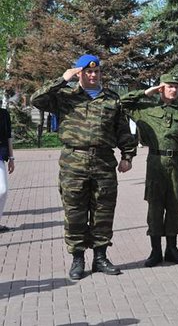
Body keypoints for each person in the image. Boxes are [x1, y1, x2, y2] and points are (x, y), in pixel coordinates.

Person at [31, 54, 136, 280]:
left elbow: (122, 130)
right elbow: (36, 99)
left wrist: (127, 156)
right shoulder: (65, 96)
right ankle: (77, 259)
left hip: (104, 161)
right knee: (75, 212)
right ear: (79, 73)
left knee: (103, 211)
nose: (93, 75)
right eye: (88, 71)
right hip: (74, 161)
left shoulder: (111, 99)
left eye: (96, 71)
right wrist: (62, 79)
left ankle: (100, 258)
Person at [121, 73, 178, 267]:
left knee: (174, 205)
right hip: (155, 161)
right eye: (169, 86)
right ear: (161, 88)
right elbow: (122, 103)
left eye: (176, 86)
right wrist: (147, 92)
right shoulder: (146, 109)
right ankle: (155, 251)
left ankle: (172, 249)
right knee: (155, 205)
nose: (174, 89)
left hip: (177, 162)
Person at [0, 107, 15, 233]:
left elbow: (8, 136)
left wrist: (11, 158)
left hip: (0, 155)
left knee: (3, 190)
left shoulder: (4, 114)